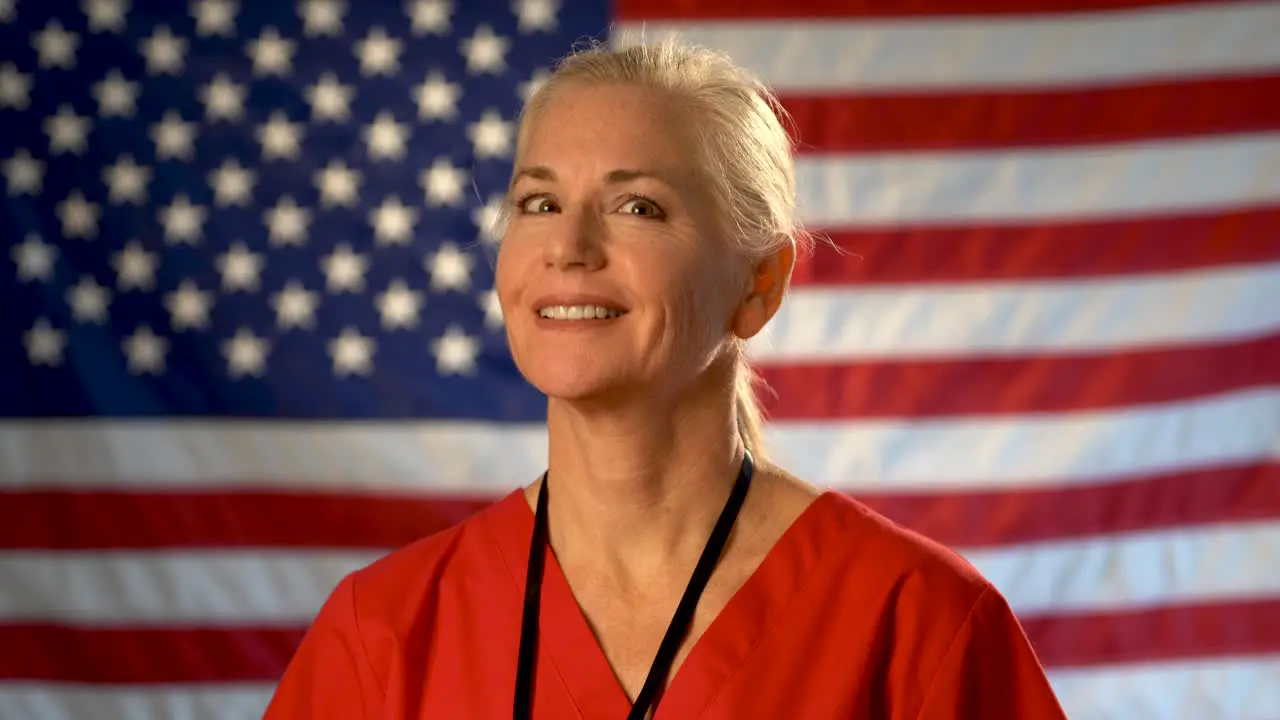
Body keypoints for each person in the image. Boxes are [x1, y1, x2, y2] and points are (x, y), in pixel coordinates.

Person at [263, 36, 1069, 719]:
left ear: (760, 283)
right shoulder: (382, 634)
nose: (569, 247)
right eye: (537, 203)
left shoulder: (914, 620)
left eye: (638, 207)